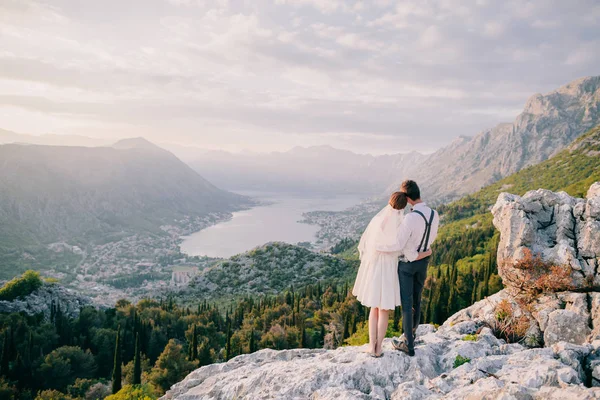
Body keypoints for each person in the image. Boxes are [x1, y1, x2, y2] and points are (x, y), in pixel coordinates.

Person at [352, 191, 432, 358]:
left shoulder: (377, 221)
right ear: (403, 207)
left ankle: (371, 346)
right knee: (383, 310)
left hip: (374, 267)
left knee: (373, 308)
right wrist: (425, 253)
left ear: (390, 202)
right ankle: (379, 348)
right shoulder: (402, 225)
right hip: (389, 269)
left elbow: (367, 244)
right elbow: (403, 248)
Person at [377, 180, 439, 357]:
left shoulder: (410, 218)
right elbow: (431, 238)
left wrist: (379, 247)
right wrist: (425, 252)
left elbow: (399, 244)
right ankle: (410, 334)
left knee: (406, 304)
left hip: (407, 265)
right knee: (417, 299)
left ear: (407, 197)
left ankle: (408, 345)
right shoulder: (434, 214)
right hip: (424, 262)